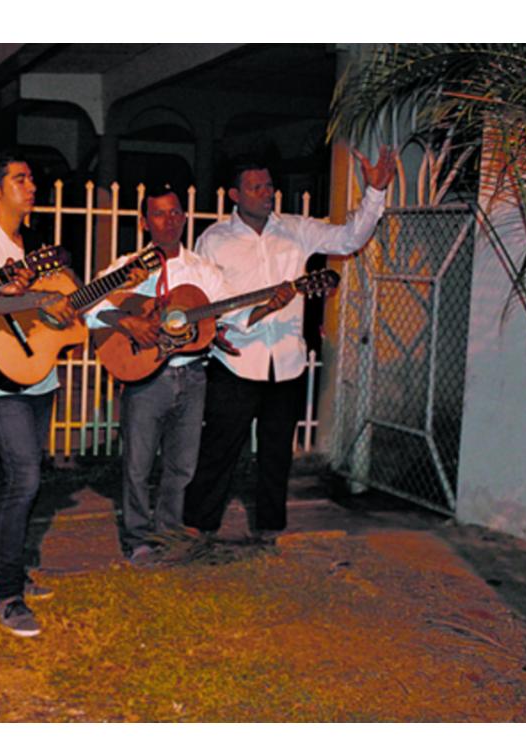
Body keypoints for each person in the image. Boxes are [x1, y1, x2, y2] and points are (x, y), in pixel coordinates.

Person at [183, 147, 396, 542]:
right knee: (219, 449)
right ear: (235, 195)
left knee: (277, 454)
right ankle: (198, 526)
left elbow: (349, 239)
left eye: (269, 185)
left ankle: (269, 529)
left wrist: (375, 193)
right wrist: (250, 315)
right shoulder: (214, 240)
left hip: (287, 362)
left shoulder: (295, 229)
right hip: (235, 361)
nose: (267, 193)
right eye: (256, 187)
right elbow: (205, 298)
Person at [86, 185, 287, 565]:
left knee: (182, 466)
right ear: (144, 222)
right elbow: (87, 307)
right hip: (146, 377)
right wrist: (126, 320)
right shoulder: (129, 266)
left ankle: (168, 533)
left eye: (176, 212)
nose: (170, 220)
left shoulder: (202, 271)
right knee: (138, 465)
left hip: (192, 376)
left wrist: (266, 306)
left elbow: (234, 316)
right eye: (160, 214)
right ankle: (137, 540)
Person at [0, 151, 76, 637]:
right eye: (19, 179)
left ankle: (1, 568)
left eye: (31, 179)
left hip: (38, 370)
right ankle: (9, 593)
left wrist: (60, 309)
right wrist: (20, 295)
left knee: (25, 477)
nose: (31, 186)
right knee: (24, 479)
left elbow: (44, 304)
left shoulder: (28, 243)